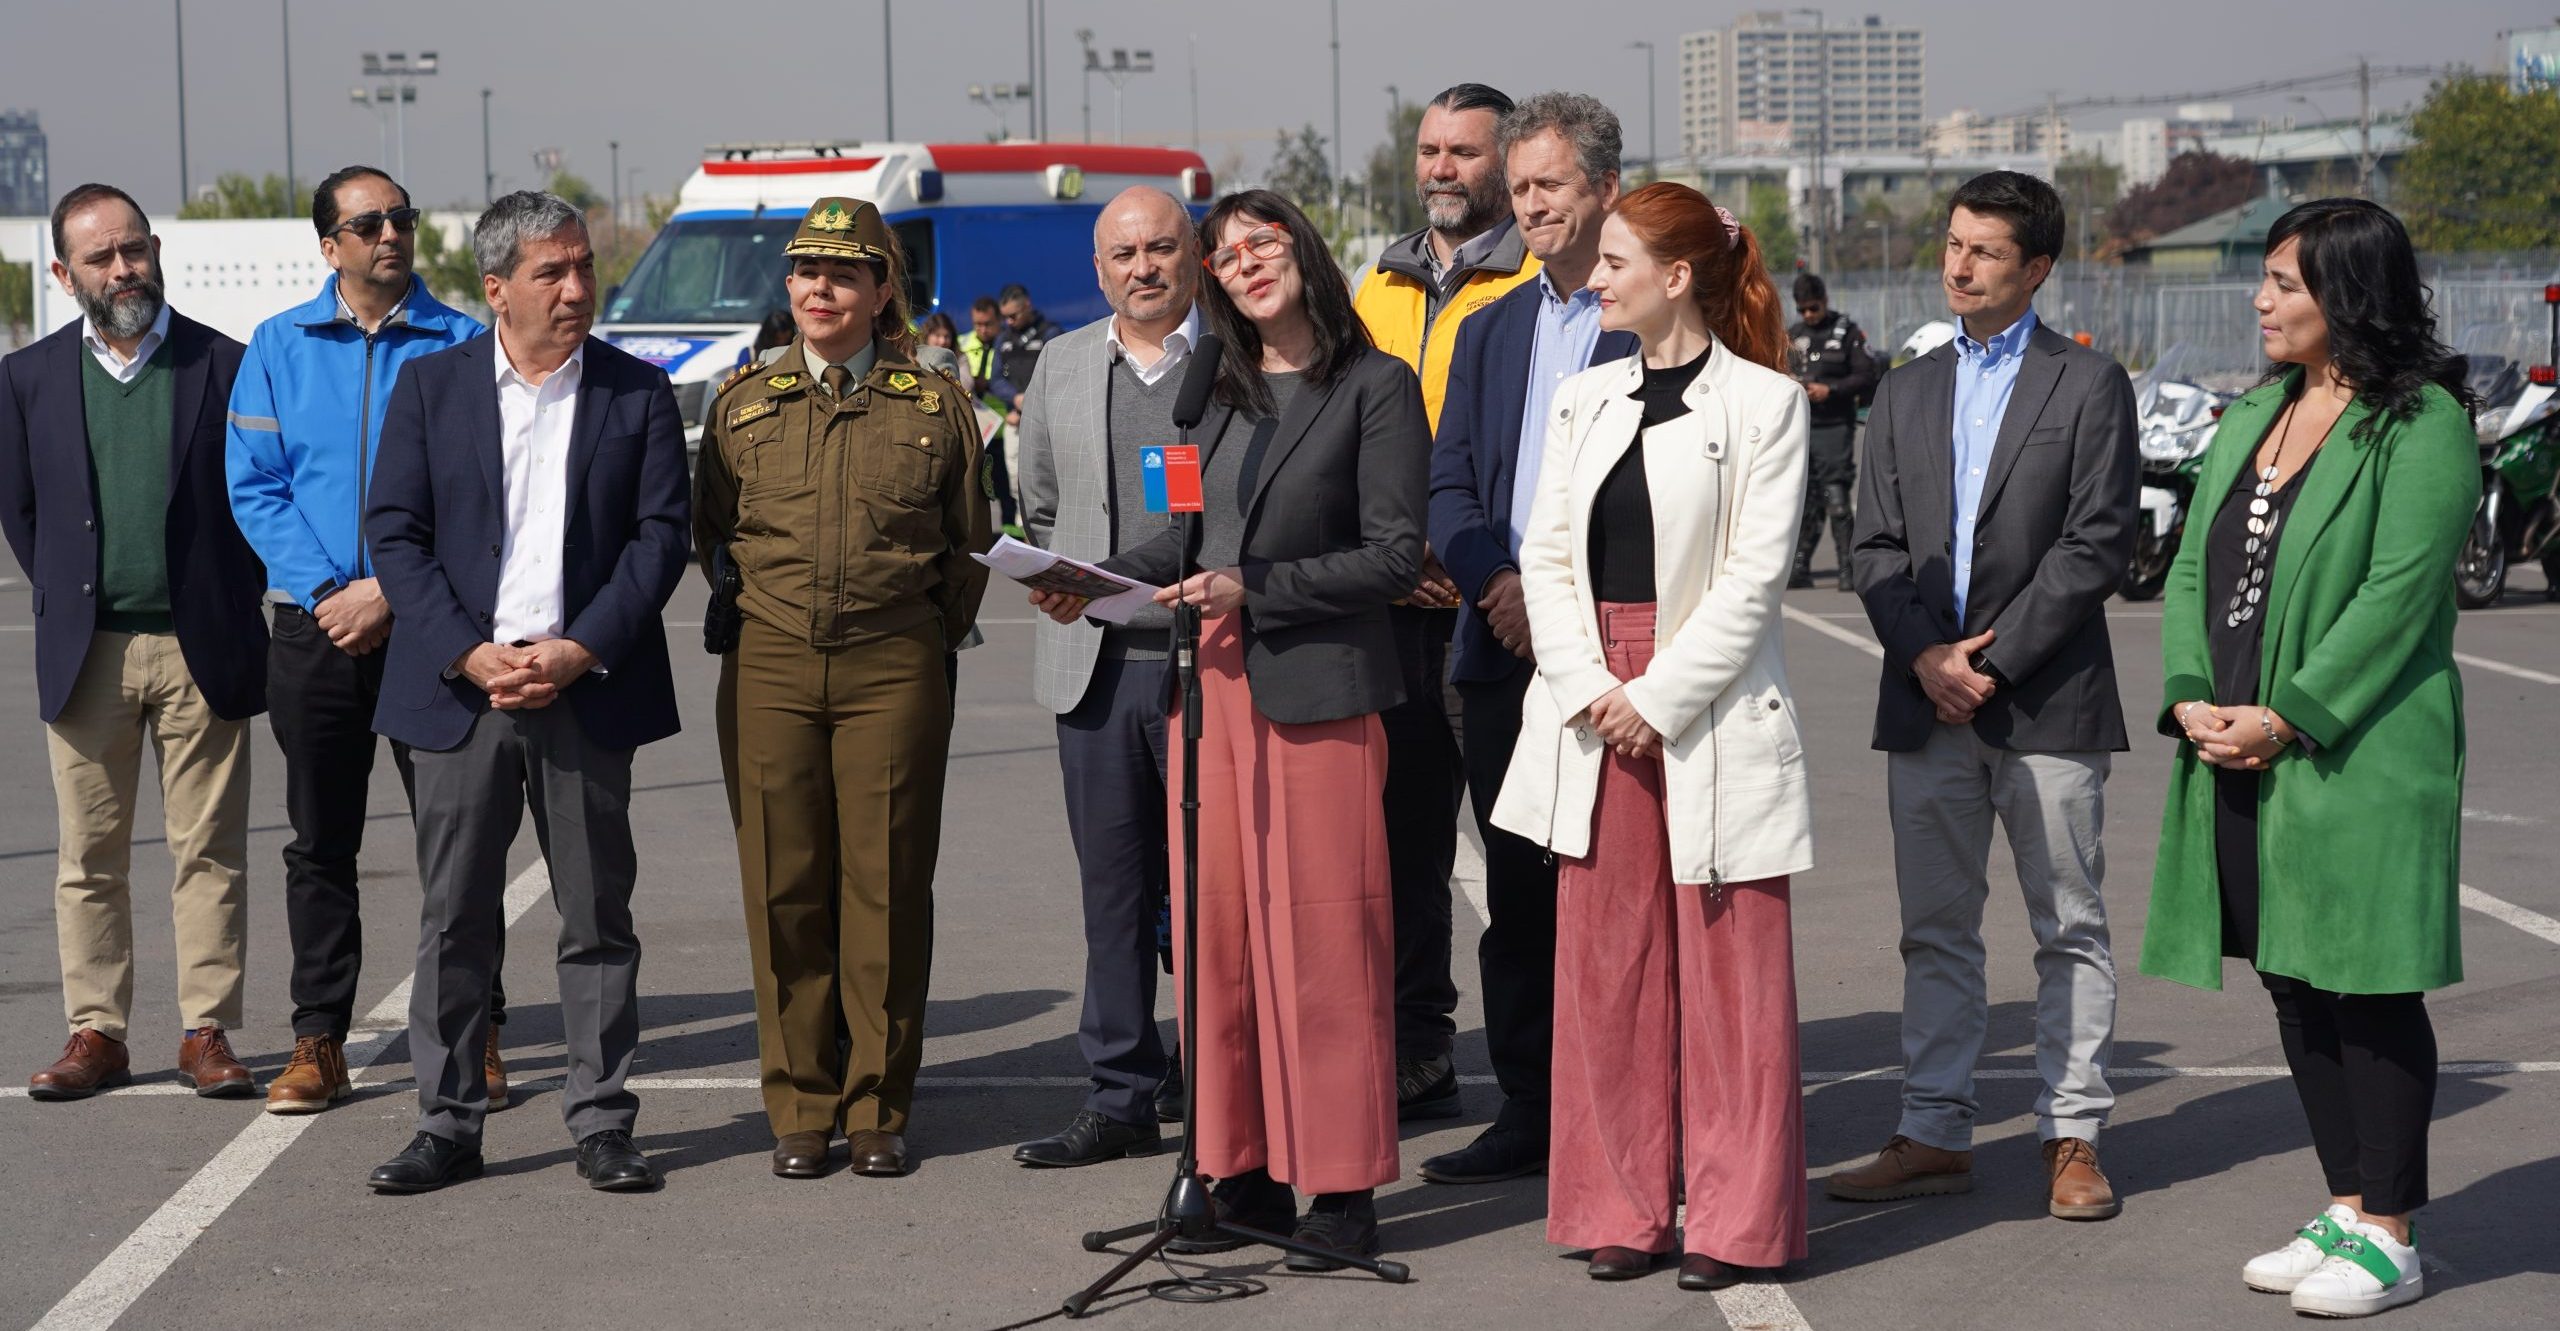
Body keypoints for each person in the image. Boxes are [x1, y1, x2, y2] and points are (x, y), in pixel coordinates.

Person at [1038, 188, 1430, 1270]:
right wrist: (1090, 582)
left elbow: (1394, 557)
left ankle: (1340, 1187)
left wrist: (1254, 587)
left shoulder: (1376, 386)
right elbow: (1184, 538)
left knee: (1324, 946)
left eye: (1264, 242)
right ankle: (1239, 1166)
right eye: (1229, 252)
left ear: (1304, 251)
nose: (1246, 262)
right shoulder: (1218, 390)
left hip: (1318, 697)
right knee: (1222, 944)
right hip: (1211, 695)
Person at [2143, 199, 2479, 1318]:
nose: (2261, 300)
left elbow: (2397, 596)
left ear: (2350, 293)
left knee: (2365, 983)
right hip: (2239, 742)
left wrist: (2285, 716)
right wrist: (2189, 691)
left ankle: (2393, 1231)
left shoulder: (2420, 422)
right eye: (2267, 279)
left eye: (2285, 283)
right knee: (2293, 978)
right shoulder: (2257, 411)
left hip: (2355, 751)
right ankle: (2347, 1203)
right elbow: (2192, 565)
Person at [1489, 182, 1809, 1291]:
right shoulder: (1583, 397)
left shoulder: (1767, 404)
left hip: (1707, 702)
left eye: (1616, 260)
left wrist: (1655, 694)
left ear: (1677, 276)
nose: (1596, 278)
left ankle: (1737, 1219)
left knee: (1733, 981)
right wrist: (1589, 684)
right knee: (1607, 968)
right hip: (1591, 703)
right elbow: (1544, 558)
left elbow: (1754, 582)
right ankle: (1618, 1205)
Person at [361, 190, 689, 1194]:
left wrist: (581, 647)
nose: (578, 287)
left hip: (584, 690)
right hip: (463, 696)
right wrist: (468, 652)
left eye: (584, 266)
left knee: (596, 916)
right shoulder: (431, 388)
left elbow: (659, 538)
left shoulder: (637, 391)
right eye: (553, 272)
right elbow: (395, 535)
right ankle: (447, 1123)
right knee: (454, 918)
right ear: (497, 288)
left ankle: (602, 1120)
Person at [1833, 170, 2140, 1221]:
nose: (1958, 266)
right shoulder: (1906, 387)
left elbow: (2097, 541)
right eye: (1954, 244)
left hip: (2047, 700)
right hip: (1925, 702)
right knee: (1935, 929)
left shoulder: (2087, 384)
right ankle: (1933, 1130)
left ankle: (2073, 1135)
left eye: (1985, 251)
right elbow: (1873, 545)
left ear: (2037, 267)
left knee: (2069, 927)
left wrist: (1988, 664)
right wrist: (1927, 656)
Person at [694, 197, 992, 1181]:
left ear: (880, 287)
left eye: (843, 272)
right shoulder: (740, 403)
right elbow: (715, 534)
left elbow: (968, 543)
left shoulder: (934, 404)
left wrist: (916, 634)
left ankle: (877, 1105)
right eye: (805, 271)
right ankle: (800, 1105)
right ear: (788, 285)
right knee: (782, 885)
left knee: (887, 885)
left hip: (893, 661)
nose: (820, 288)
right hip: (771, 661)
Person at [225, 165, 495, 1116]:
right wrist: (332, 590)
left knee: (459, 840)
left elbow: (481, 493)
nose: (391, 235)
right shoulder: (277, 345)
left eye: (402, 219)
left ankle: (478, 1029)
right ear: (329, 245)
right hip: (315, 629)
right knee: (319, 843)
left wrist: (391, 591)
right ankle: (319, 1039)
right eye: (369, 222)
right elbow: (256, 484)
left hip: (434, 629)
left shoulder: (466, 343)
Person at [3, 183, 267, 1100]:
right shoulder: (28, 378)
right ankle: (97, 1032)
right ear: (63, 273)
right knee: (88, 858)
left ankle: (206, 1031)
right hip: (88, 653)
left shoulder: (224, 364)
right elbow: (23, 513)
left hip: (203, 648)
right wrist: (76, 594)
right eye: (102, 257)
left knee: (210, 851)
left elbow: (257, 498)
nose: (124, 270)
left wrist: (227, 595)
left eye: (135, 250)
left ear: (156, 251)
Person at [1421, 89, 1637, 1185]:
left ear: (1606, 188)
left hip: (1619, 654)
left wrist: (1566, 607)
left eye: (1551, 183)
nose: (1532, 204)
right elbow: (1449, 484)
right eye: (1519, 188)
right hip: (1502, 652)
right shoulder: (1491, 327)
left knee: (1620, 891)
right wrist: (1498, 584)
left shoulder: (1655, 317)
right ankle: (1530, 1107)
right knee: (1517, 895)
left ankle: (1627, 1108)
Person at [1009, 186, 1204, 1169]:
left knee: (1211, 893)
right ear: (1098, 270)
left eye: (1161, 247)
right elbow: (1041, 502)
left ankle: (1215, 1085)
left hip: (1205, 666)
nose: (1143, 267)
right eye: (1123, 254)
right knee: (1115, 894)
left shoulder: (1235, 360)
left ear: (1193, 254)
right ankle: (1120, 1093)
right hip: (1096, 671)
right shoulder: (1063, 361)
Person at [1351, 81, 1525, 1122]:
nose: (1441, 169)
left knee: (1518, 851)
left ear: (1506, 161)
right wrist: (1388, 553)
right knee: (1400, 850)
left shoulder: (1542, 281)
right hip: (1391, 611)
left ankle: (1534, 1077)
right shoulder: (1377, 280)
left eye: (1463, 151)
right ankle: (1419, 1052)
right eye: (1429, 150)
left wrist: (1468, 559)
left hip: (1493, 609)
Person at [1786, 272, 1878, 591]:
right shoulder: (1794, 335)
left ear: (1824, 301)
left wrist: (1831, 389)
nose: (1809, 315)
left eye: (1813, 308)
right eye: (1802, 309)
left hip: (1835, 424)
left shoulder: (1847, 332)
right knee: (1806, 497)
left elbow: (1866, 374)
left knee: (1835, 495)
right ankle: (1799, 567)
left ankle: (1847, 568)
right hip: (1802, 426)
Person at [989, 284, 1065, 534]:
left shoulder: (1050, 334)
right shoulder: (1003, 339)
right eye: (1005, 317)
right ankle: (1025, 527)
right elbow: (996, 380)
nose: (1009, 322)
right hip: (1016, 420)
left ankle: (1050, 528)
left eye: (1013, 316)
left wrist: (1030, 401)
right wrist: (1015, 399)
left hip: (1045, 421)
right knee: (1015, 478)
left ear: (1027, 306)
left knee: (1046, 477)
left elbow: (1059, 375)